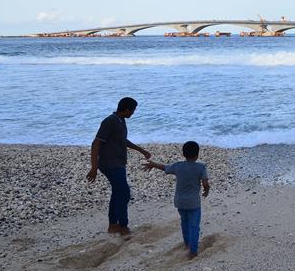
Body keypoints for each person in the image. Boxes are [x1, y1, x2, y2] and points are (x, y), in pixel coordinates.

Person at [87, 97, 152, 237]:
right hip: (110, 164)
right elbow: (96, 143)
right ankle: (123, 226)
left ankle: (113, 225)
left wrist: (141, 150)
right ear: (127, 109)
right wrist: (94, 167)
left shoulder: (121, 121)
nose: (133, 113)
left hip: (118, 163)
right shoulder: (110, 121)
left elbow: (122, 140)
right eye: (133, 110)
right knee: (124, 193)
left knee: (117, 192)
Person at [143, 141, 210, 258]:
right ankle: (193, 251)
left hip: (179, 201)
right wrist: (206, 190)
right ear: (197, 154)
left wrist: (153, 164)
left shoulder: (178, 166)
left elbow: (164, 167)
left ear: (183, 154)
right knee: (194, 226)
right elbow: (205, 183)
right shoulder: (201, 167)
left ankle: (187, 243)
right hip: (193, 203)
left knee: (184, 222)